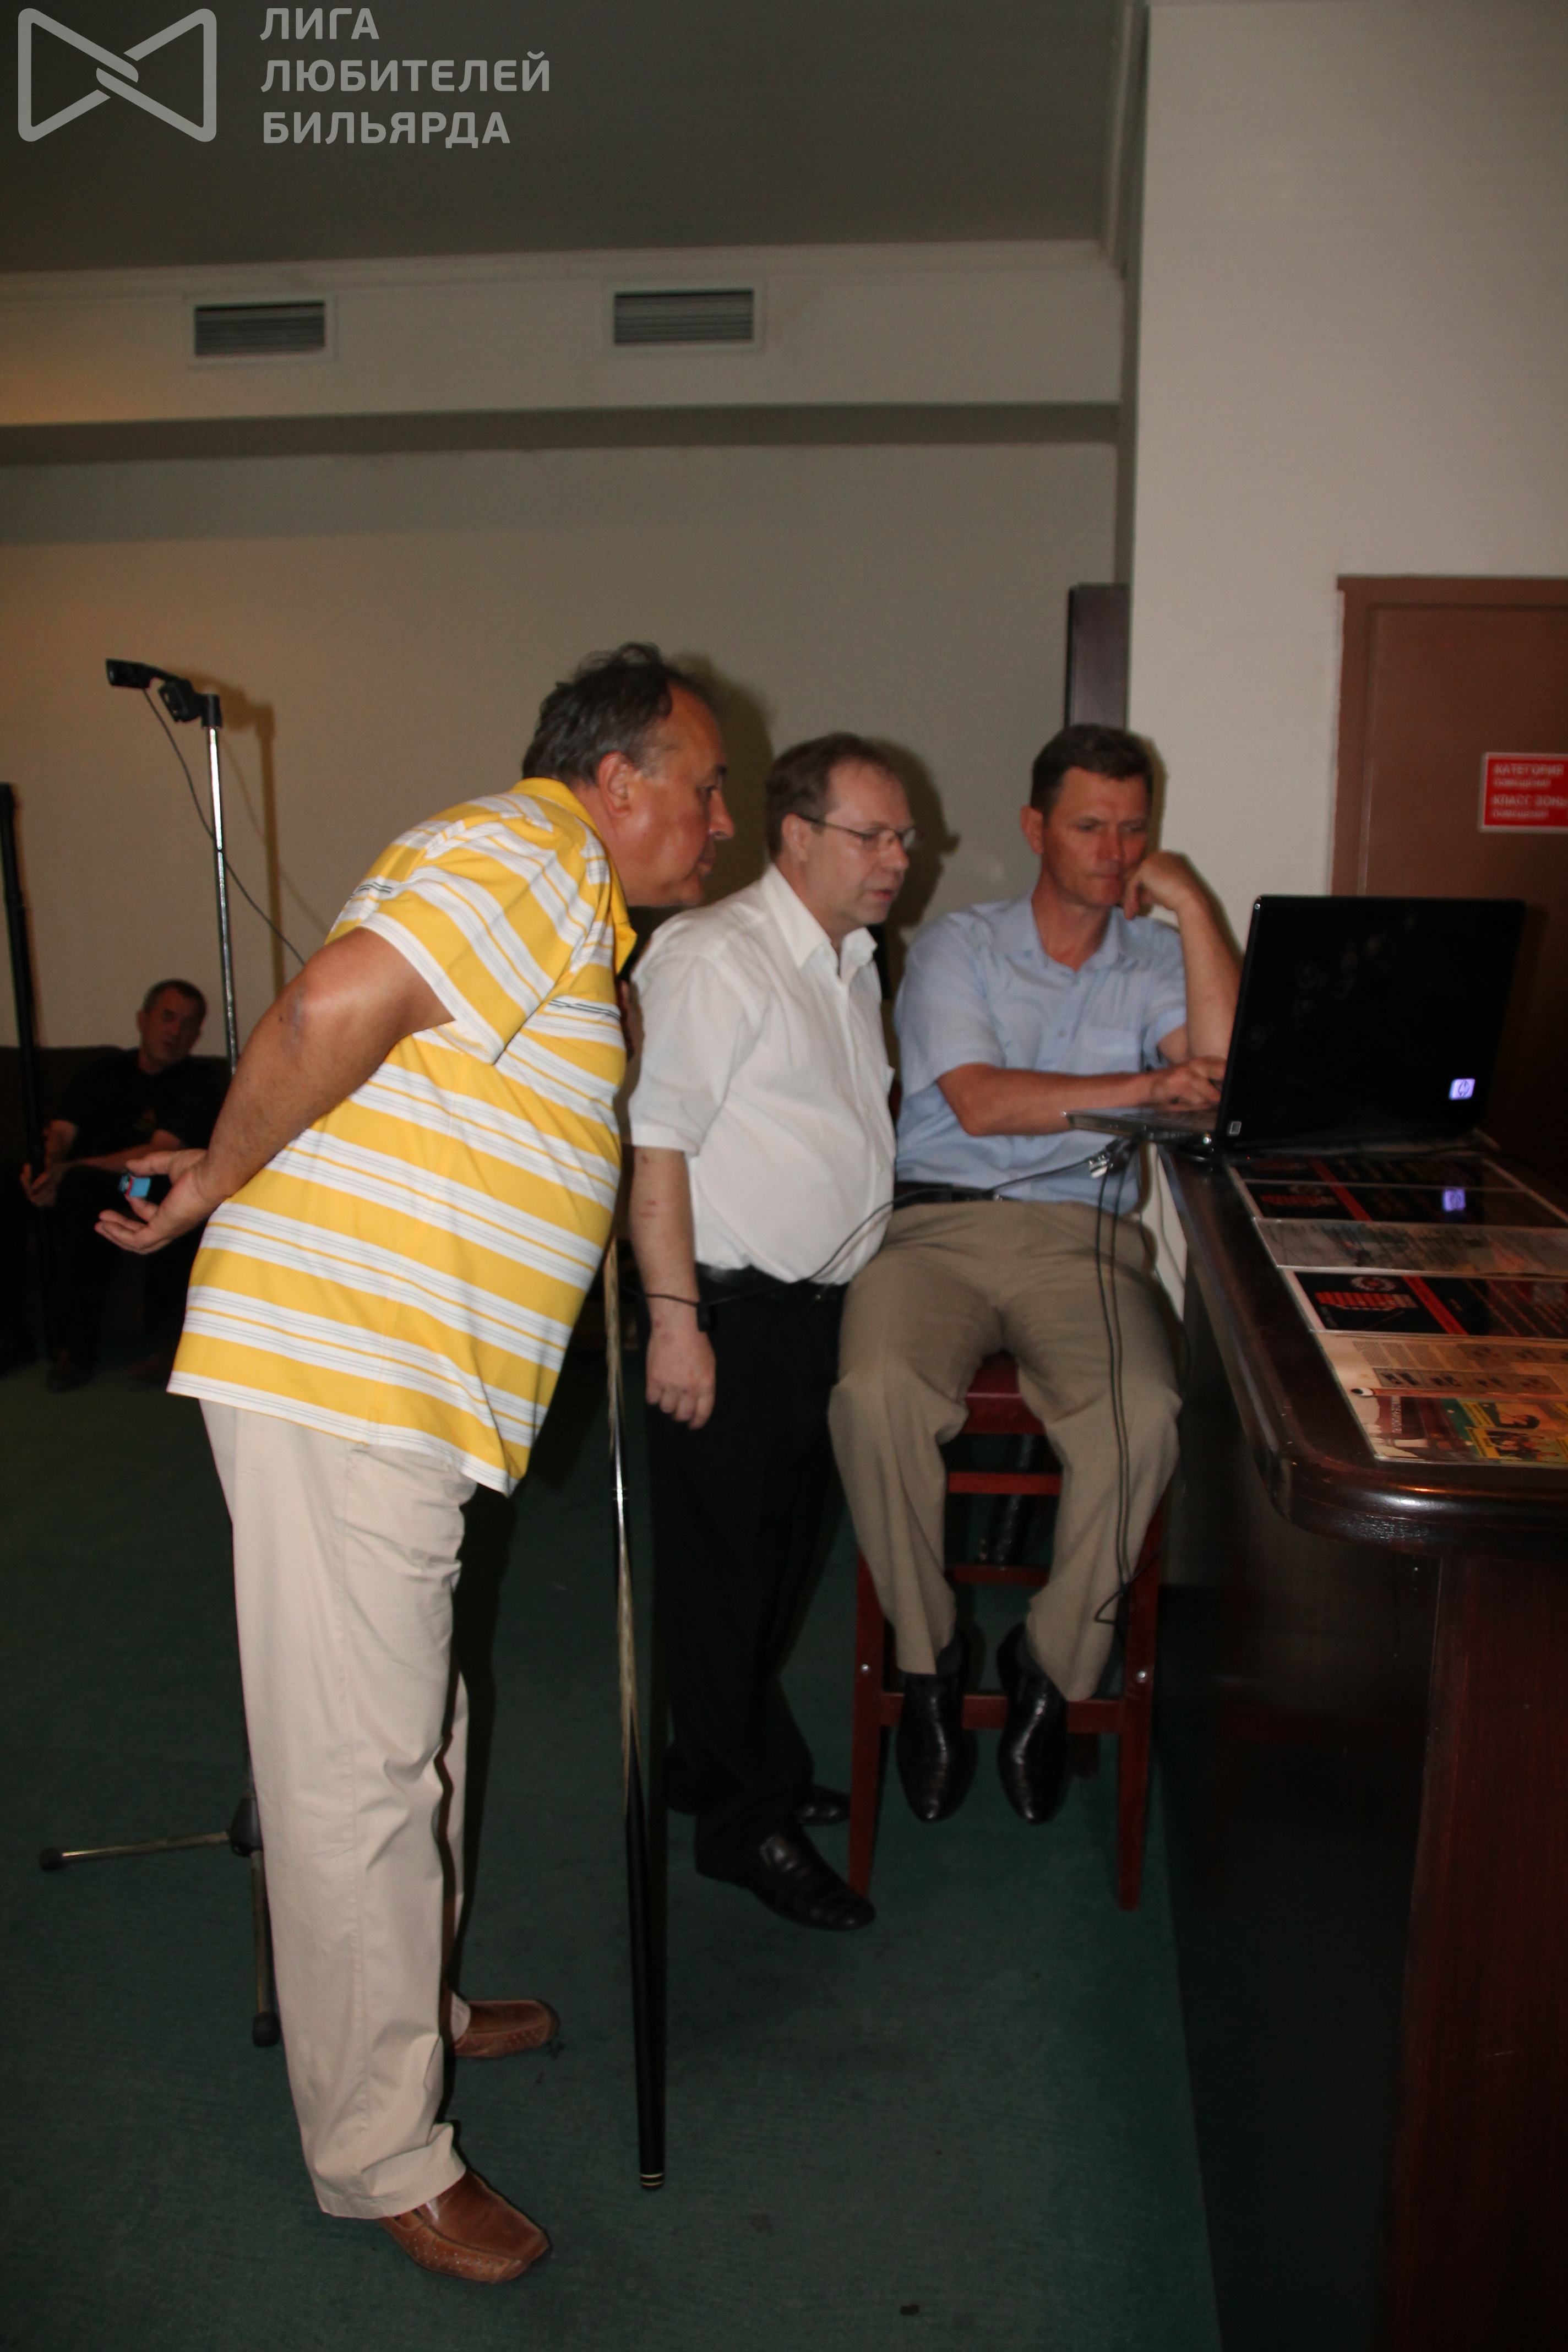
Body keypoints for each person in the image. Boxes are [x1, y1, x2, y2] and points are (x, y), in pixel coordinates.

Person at [99, 645, 733, 2286]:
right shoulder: (528, 847)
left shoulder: (563, 903)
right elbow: (330, 1005)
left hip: (395, 1386)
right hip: (344, 1371)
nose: (721, 819)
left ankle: (415, 2005)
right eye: (706, 783)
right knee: (359, 1773)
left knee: (413, 1732)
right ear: (616, 780)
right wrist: (215, 1179)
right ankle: (381, 2145)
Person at [830, 722, 1240, 1828]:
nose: (1113, 852)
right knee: (874, 1397)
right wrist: (1143, 1090)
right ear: (1034, 829)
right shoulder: (959, 946)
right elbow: (978, 1102)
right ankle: (928, 1661)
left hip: (1080, 1239)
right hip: (935, 1232)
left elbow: (1221, 1081)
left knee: (1142, 1416)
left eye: (1133, 830)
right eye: (1089, 826)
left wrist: (1191, 905)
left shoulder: (1153, 958)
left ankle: (1050, 1670)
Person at [627, 734, 912, 1931]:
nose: (897, 857)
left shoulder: (851, 961)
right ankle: (746, 1828)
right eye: (872, 835)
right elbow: (656, 1142)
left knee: (777, 1565)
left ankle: (721, 1763)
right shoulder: (715, 955)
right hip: (727, 1309)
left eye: (904, 837)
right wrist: (674, 1323)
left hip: (818, 1311)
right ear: (796, 836)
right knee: (723, 1579)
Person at [20, 979, 225, 1389]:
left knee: (89, 1187)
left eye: (188, 1024)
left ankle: (82, 1349)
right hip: (79, 1181)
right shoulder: (101, 1071)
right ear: (143, 1019)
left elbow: (158, 1152)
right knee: (21, 1181)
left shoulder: (196, 1082)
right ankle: (19, 1339)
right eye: (167, 1017)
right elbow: (61, 1131)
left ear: (197, 1035)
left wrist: (71, 1170)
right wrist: (45, 1168)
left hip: (143, 1185)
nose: (176, 1031)